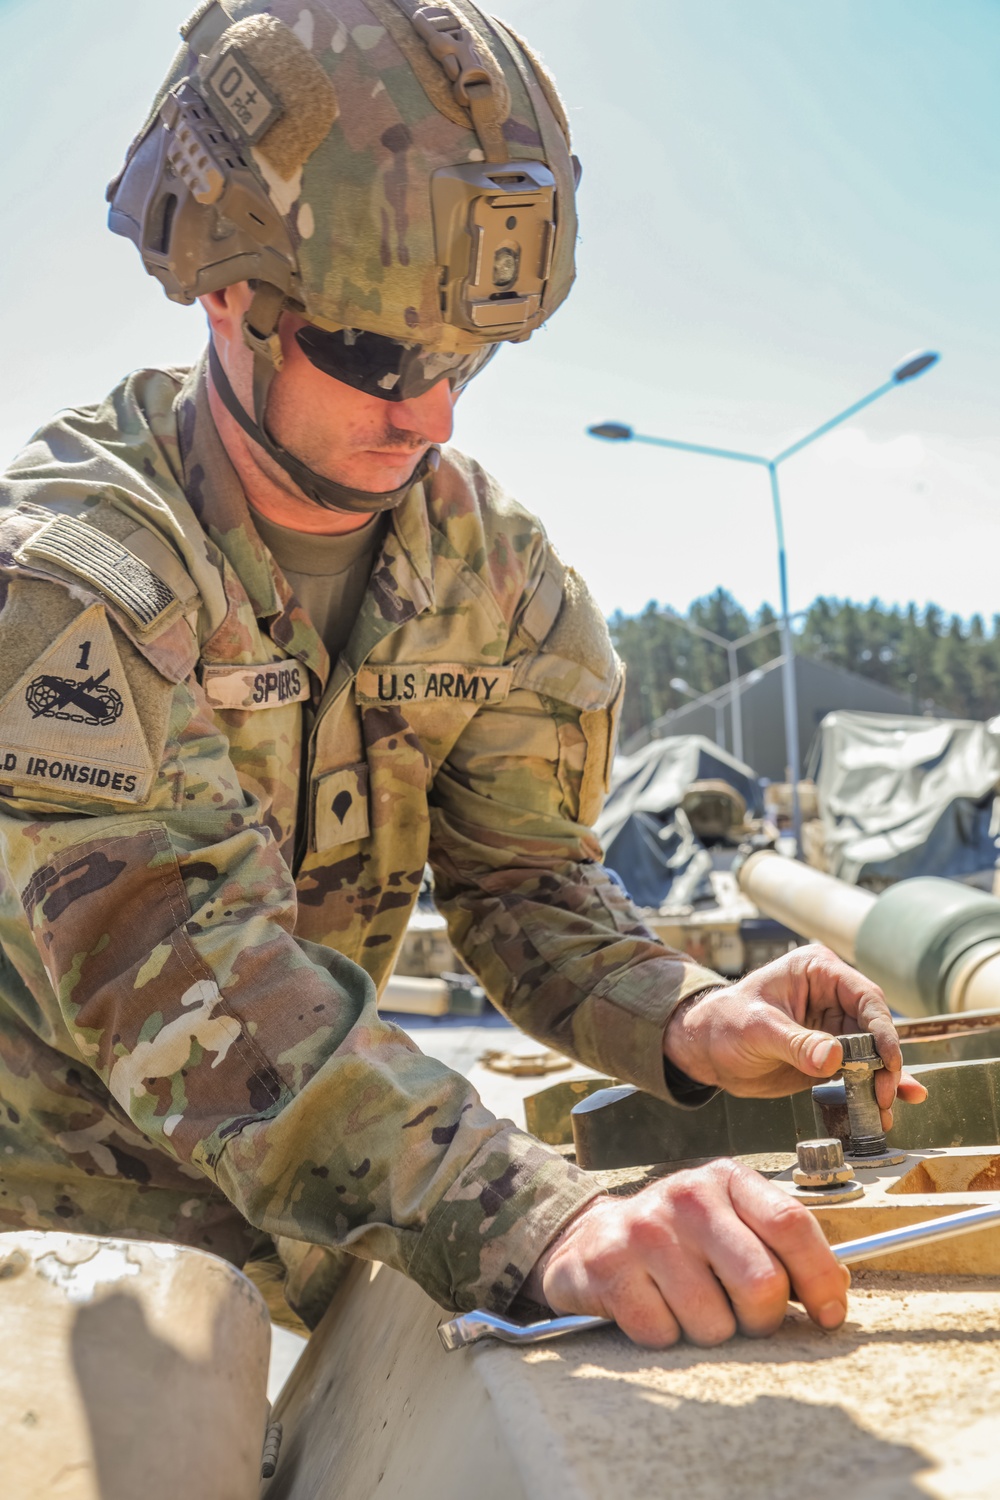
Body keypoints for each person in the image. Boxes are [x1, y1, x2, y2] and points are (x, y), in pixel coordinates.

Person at [0, 0, 923, 1345]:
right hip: (65, 1297)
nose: (426, 415)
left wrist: (688, 1013)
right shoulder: (70, 580)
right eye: (374, 353)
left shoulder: (491, 569)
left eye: (464, 358)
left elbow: (525, 887)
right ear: (227, 294)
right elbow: (182, 973)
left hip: (317, 1266)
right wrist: (537, 1217)